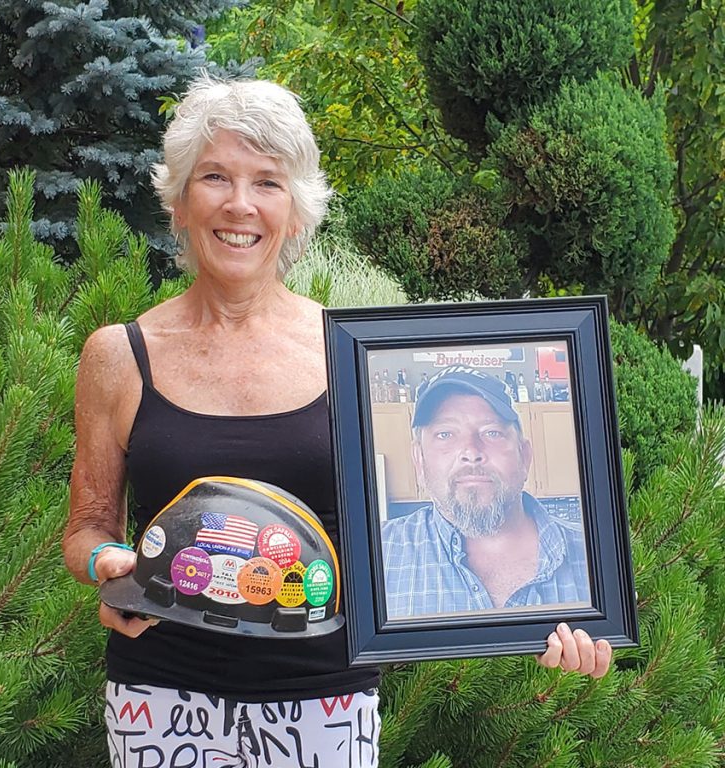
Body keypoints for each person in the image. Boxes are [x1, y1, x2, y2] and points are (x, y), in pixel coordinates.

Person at [63, 77, 610, 768]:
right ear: (178, 200)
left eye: (267, 182)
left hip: (326, 705)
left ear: (296, 213)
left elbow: (433, 532)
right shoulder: (118, 357)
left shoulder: (354, 353)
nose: (240, 204)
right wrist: (106, 567)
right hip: (160, 697)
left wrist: (552, 616)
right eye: (214, 177)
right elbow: (87, 526)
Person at [381, 365, 591, 621]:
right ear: (419, 459)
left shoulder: (593, 556)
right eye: (445, 434)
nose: (471, 451)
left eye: (492, 432)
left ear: (524, 456)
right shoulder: (377, 557)